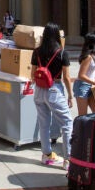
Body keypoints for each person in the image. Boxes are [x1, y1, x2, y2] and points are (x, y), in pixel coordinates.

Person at [31, 22, 73, 170]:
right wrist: (70, 95)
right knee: (67, 123)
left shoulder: (36, 51)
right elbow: (67, 77)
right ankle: (68, 160)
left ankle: (46, 154)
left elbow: (32, 74)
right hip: (54, 88)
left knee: (44, 124)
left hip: (39, 90)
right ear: (57, 36)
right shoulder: (62, 53)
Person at [73, 33, 95, 115]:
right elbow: (81, 75)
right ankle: (80, 128)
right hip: (82, 86)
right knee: (83, 115)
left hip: (90, 86)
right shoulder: (88, 57)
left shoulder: (94, 57)